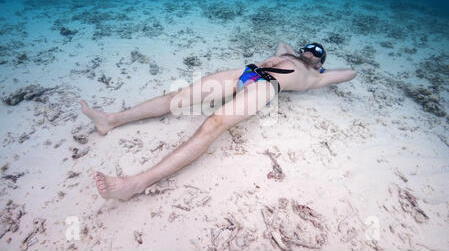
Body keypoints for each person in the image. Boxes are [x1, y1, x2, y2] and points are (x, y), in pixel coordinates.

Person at [80, 42, 357, 200]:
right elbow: (284, 43)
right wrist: (293, 53)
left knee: (214, 124)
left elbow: (350, 73)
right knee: (178, 97)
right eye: (308, 48)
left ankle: (137, 183)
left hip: (267, 86)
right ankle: (111, 120)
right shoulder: (288, 53)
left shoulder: (316, 76)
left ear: (321, 63)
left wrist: (318, 67)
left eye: (316, 53)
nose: (310, 52)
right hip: (246, 72)